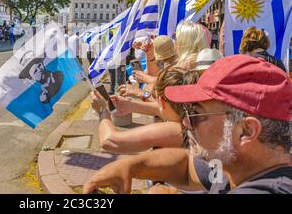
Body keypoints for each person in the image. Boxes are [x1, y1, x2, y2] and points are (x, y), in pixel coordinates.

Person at [83, 55, 292, 194]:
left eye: (197, 115)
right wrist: (129, 166)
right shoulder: (237, 164)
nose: (185, 121)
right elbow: (187, 165)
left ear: (246, 131)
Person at [90, 67, 199, 154]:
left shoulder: (177, 129)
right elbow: (167, 110)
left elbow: (110, 141)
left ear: (161, 100)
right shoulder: (196, 114)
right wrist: (131, 105)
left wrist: (103, 111)